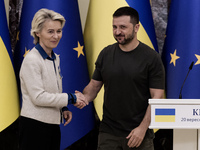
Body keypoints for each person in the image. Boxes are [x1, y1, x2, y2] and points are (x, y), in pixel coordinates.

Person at [81, 6, 165, 150]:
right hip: (108, 134)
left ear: (136, 27)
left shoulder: (152, 58)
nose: (117, 32)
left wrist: (142, 129)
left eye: (123, 27)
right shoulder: (105, 54)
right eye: (114, 27)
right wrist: (81, 98)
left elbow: (156, 98)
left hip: (139, 135)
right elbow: (94, 87)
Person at [19, 8, 88, 150]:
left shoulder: (55, 58)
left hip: (52, 126)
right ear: (37, 33)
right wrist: (72, 98)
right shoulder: (32, 60)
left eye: (59, 31)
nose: (56, 36)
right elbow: (38, 97)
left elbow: (52, 90)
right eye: (50, 31)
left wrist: (62, 108)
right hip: (34, 127)